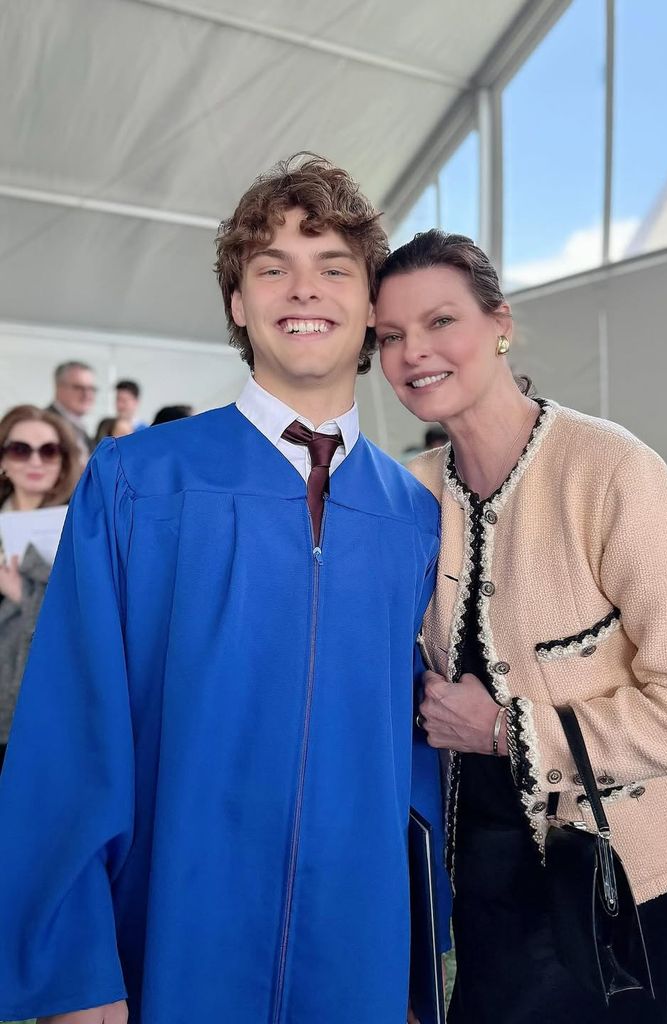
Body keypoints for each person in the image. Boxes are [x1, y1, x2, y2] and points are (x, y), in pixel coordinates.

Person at [0, 157, 448, 1024]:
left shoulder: (413, 517)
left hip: (354, 949)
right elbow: (70, 725)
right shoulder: (138, 480)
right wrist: (75, 966)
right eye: (270, 268)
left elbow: (414, 764)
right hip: (173, 933)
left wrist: (411, 956)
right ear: (239, 305)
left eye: (333, 268)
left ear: (370, 309)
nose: (300, 288)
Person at [374, 229, 667, 1024]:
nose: (415, 352)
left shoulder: (611, 470)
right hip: (478, 881)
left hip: (610, 883)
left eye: (441, 322)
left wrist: (512, 730)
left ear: (500, 324)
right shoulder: (412, 494)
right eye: (391, 336)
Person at [0, 405, 81, 772]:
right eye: (20, 449)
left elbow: (87, 624)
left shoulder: (85, 528)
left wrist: (24, 596)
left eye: (49, 450)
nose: (36, 460)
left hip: (49, 710)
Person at [47, 361, 98, 459]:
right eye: (79, 388)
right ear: (59, 388)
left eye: (91, 389)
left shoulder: (80, 428)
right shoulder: (45, 424)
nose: (87, 395)